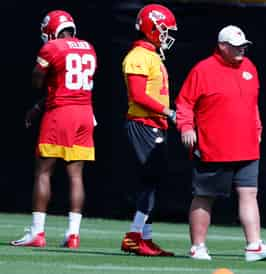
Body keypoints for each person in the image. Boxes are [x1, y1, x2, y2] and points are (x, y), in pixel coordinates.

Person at [176, 25, 266, 262]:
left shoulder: (250, 68)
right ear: (222, 46)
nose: (241, 50)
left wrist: (257, 126)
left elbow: (252, 103)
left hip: (246, 145)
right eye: (236, 46)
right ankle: (198, 246)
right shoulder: (203, 70)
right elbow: (184, 103)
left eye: (244, 46)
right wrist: (186, 127)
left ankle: (253, 245)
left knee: (249, 193)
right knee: (205, 196)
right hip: (213, 146)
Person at [10, 10, 97, 248]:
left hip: (61, 114)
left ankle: (37, 232)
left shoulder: (53, 48)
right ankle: (73, 234)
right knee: (76, 175)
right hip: (85, 113)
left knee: (43, 172)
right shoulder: (89, 47)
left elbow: (38, 78)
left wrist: (41, 84)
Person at [119, 4, 177, 257]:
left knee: (153, 182)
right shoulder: (138, 56)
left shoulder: (153, 55)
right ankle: (134, 235)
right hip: (143, 124)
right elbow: (138, 95)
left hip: (154, 124)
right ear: (150, 28)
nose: (167, 36)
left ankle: (145, 237)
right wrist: (169, 112)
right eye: (164, 30)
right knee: (151, 180)